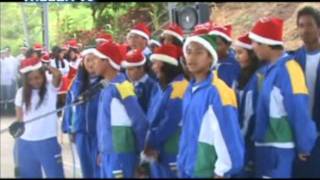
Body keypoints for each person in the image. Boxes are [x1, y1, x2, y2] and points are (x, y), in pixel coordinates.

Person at [248, 16, 318, 178]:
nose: (253, 47)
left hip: (279, 150)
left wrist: (304, 145)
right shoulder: (268, 70)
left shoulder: (289, 69)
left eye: (256, 43)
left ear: (266, 44)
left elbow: (299, 109)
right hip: (266, 148)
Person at [177, 34, 244, 178]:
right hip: (189, 169)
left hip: (208, 172)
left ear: (210, 59)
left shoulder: (218, 91)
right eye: (188, 52)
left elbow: (228, 134)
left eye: (199, 52)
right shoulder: (190, 90)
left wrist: (222, 169)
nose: (192, 57)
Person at [89, 41, 148, 178]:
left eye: (96, 59)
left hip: (121, 155)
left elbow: (140, 121)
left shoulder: (122, 86)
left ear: (107, 61)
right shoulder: (107, 88)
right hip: (108, 155)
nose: (92, 64)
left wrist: (141, 155)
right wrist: (102, 151)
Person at [143, 44, 188, 178]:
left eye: (156, 63)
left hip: (172, 148)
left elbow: (170, 121)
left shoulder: (180, 87)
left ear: (166, 64)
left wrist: (152, 142)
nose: (153, 67)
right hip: (160, 148)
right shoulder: (160, 86)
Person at [14, 57, 64, 178]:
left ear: (43, 75)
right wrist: (16, 135)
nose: (35, 82)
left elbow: (57, 74)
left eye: (37, 77)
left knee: (55, 176)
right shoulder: (21, 93)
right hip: (25, 143)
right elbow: (19, 119)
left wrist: (44, 66)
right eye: (30, 79)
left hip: (48, 141)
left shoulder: (51, 88)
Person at [62, 51, 102, 178]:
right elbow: (69, 105)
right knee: (86, 168)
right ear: (82, 63)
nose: (91, 63)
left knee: (100, 167)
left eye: (94, 60)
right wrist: (68, 127)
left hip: (99, 133)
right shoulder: (76, 82)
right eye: (87, 60)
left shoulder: (106, 81)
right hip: (80, 132)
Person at [292, 6, 320, 178]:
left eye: (309, 25)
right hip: (299, 133)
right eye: (301, 25)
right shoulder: (294, 59)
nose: (304, 30)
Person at [233, 33, 261, 177]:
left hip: (248, 140)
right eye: (235, 53)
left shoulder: (256, 79)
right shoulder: (239, 77)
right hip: (241, 136)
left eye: (240, 52)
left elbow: (250, 115)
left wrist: (238, 138)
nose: (236, 57)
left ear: (252, 54)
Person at [121, 48, 160, 115]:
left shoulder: (152, 87)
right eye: (126, 69)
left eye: (131, 69)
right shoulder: (127, 84)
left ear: (141, 68)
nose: (127, 72)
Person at [209, 25, 241, 89]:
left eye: (218, 44)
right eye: (212, 43)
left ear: (228, 44)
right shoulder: (207, 61)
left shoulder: (236, 63)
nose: (214, 47)